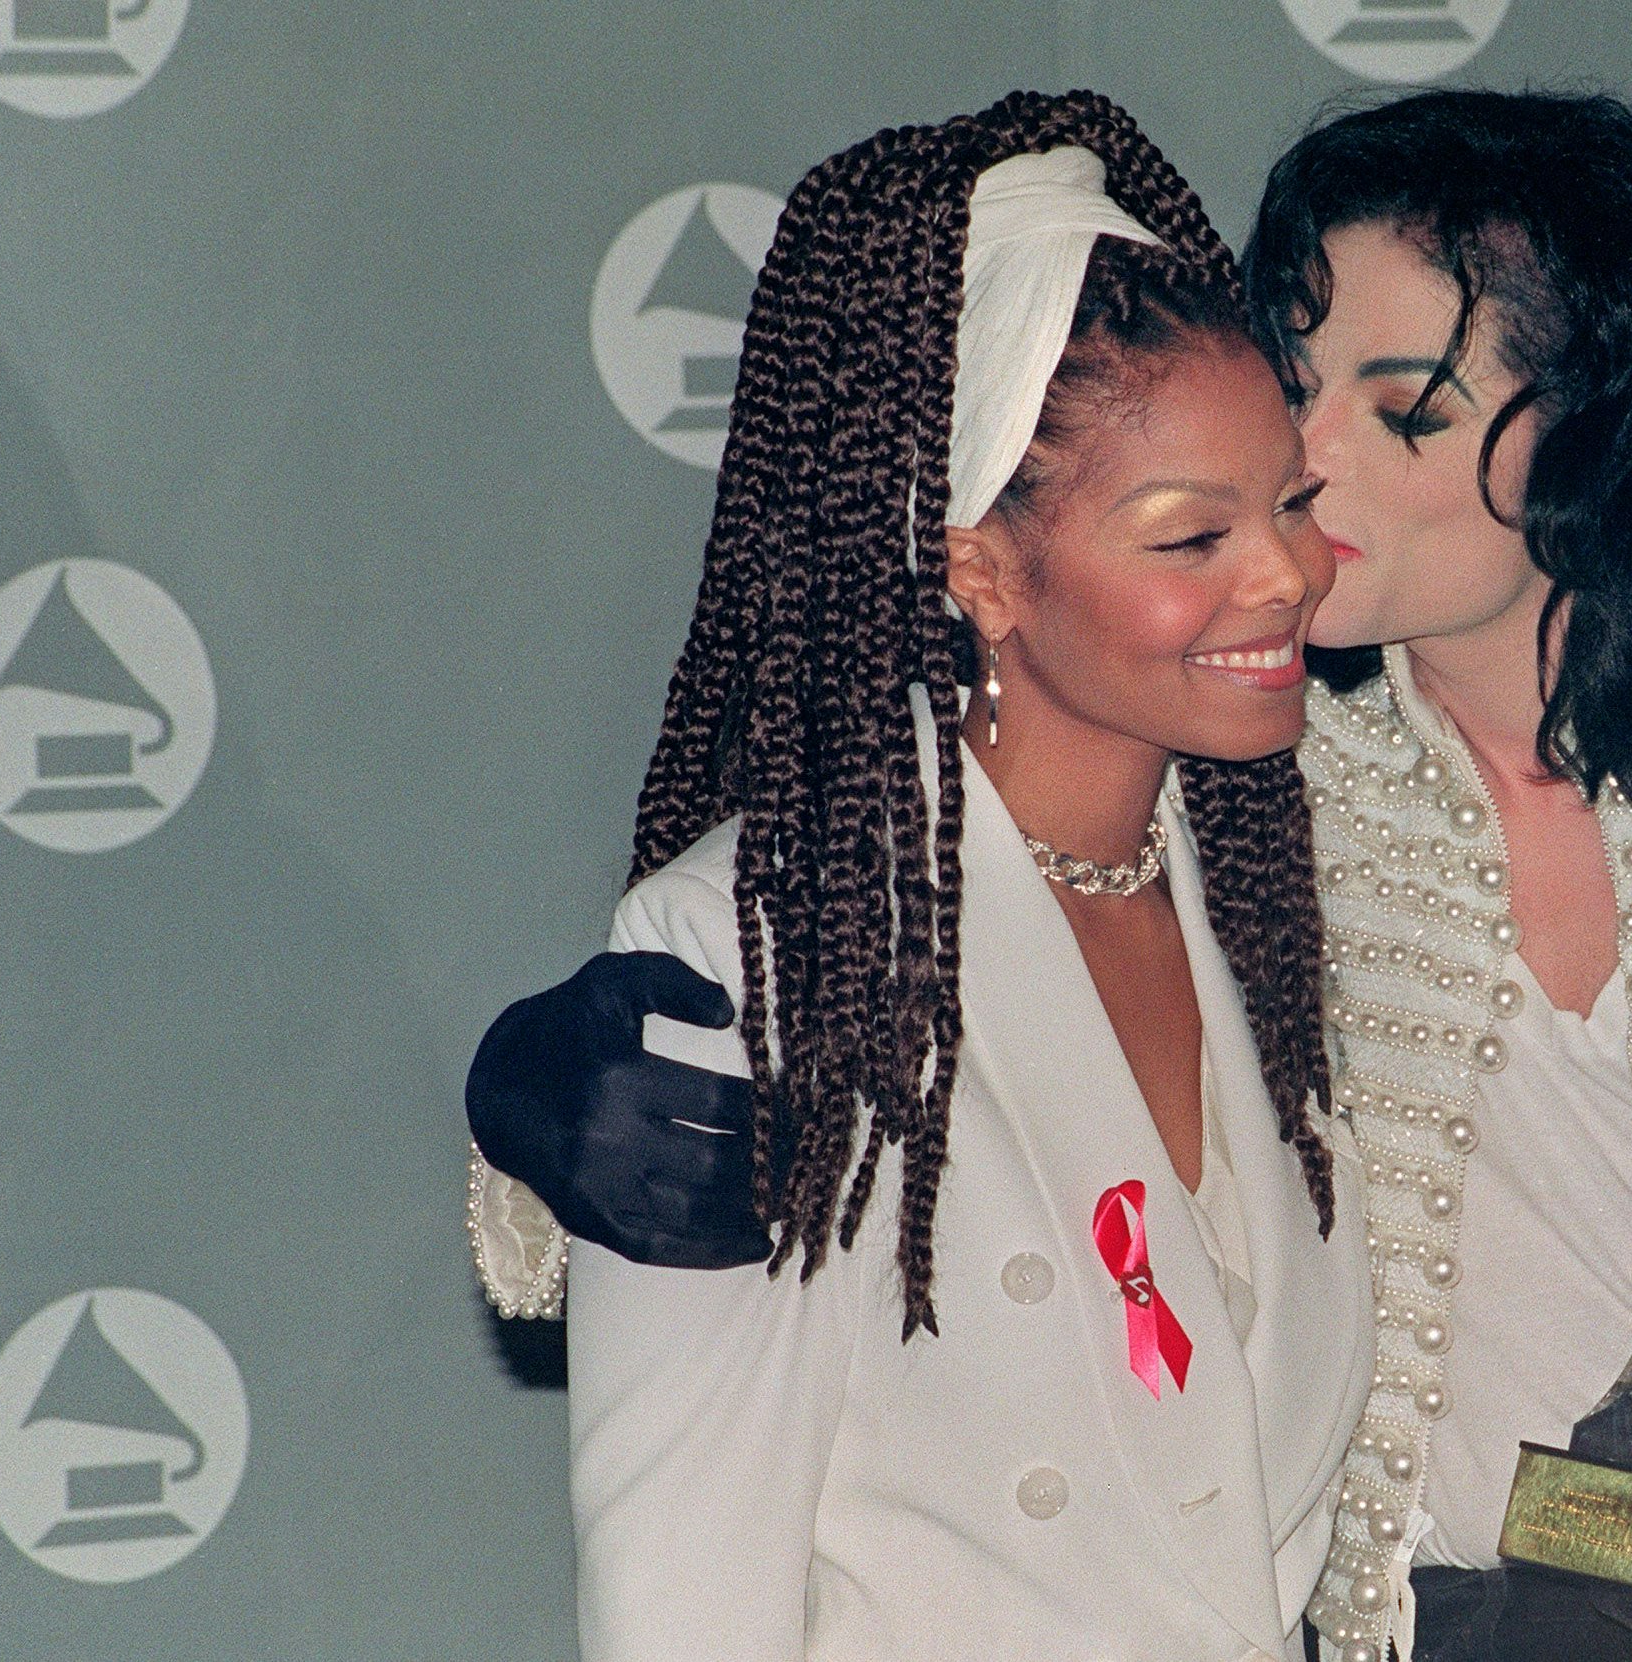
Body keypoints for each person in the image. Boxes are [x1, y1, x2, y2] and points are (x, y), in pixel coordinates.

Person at [470, 90, 1632, 1662]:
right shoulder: (1263, 787)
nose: (1300, 473)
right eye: (1285, 381)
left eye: (1404, 410)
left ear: (1608, 421)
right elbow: (864, 1060)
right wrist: (527, 1115)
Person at [478, 90, 1376, 1662]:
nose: (1289, 573)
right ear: (982, 571)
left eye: (1292, 501)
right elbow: (681, 1607)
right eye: (1191, 537)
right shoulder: (769, 949)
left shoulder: (1283, 894)